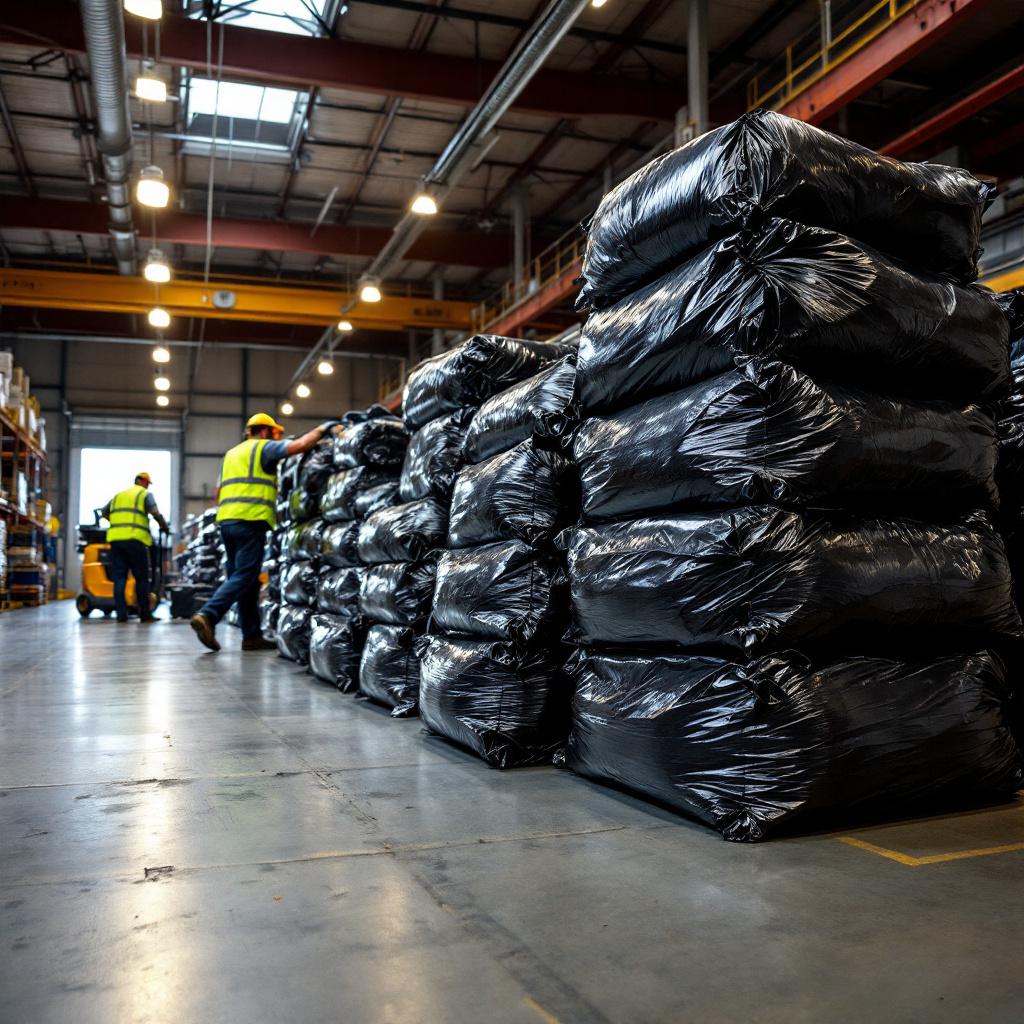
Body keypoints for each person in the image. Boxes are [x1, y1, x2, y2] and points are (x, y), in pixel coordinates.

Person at [190, 412, 337, 653]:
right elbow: (299, 446)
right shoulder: (263, 448)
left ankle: (251, 637)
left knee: (244, 580)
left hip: (227, 521)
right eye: (274, 432)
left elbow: (218, 493)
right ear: (265, 431)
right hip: (251, 519)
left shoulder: (231, 454)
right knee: (244, 576)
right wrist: (321, 429)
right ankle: (208, 614)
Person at [102, 472, 170, 623]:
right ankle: (144, 615)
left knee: (120, 578)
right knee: (141, 578)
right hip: (135, 540)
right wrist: (164, 526)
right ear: (143, 481)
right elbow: (155, 512)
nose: (147, 485)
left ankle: (121, 615)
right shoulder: (144, 494)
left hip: (116, 541)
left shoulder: (118, 496)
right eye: (147, 483)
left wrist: (117, 523)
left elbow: (103, 512)